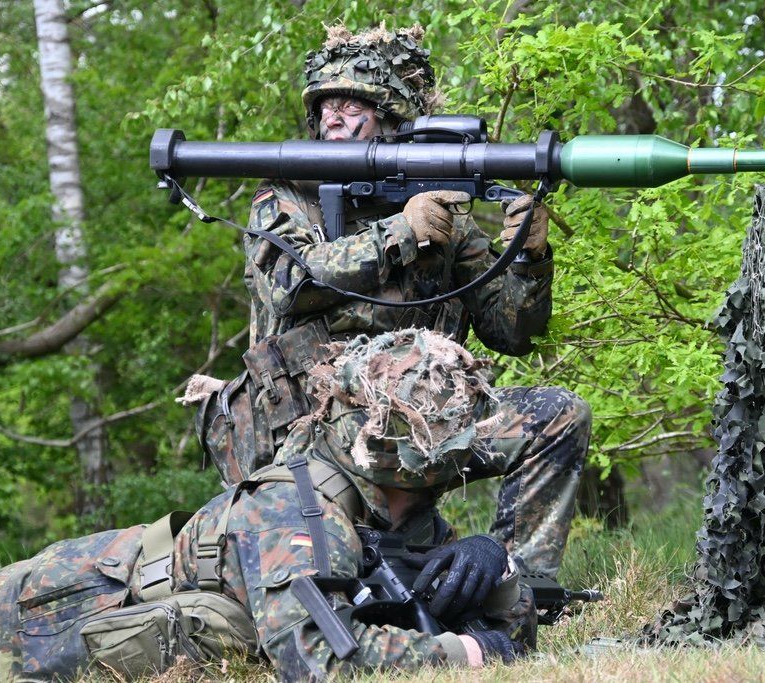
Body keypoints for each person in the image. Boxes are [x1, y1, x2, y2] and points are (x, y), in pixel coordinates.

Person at [189, 23, 591, 579]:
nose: (334, 118)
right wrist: (399, 233)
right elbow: (289, 282)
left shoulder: (444, 214)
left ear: (394, 120)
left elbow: (512, 332)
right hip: (315, 437)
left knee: (559, 415)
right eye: (326, 106)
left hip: (416, 422)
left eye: (352, 106)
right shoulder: (285, 197)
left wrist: (528, 256)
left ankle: (517, 587)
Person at [0, 331, 534, 682]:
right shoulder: (297, 513)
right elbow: (320, 662)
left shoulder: (397, 507)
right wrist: (471, 653)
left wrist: (496, 567)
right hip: (34, 615)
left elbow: (508, 627)